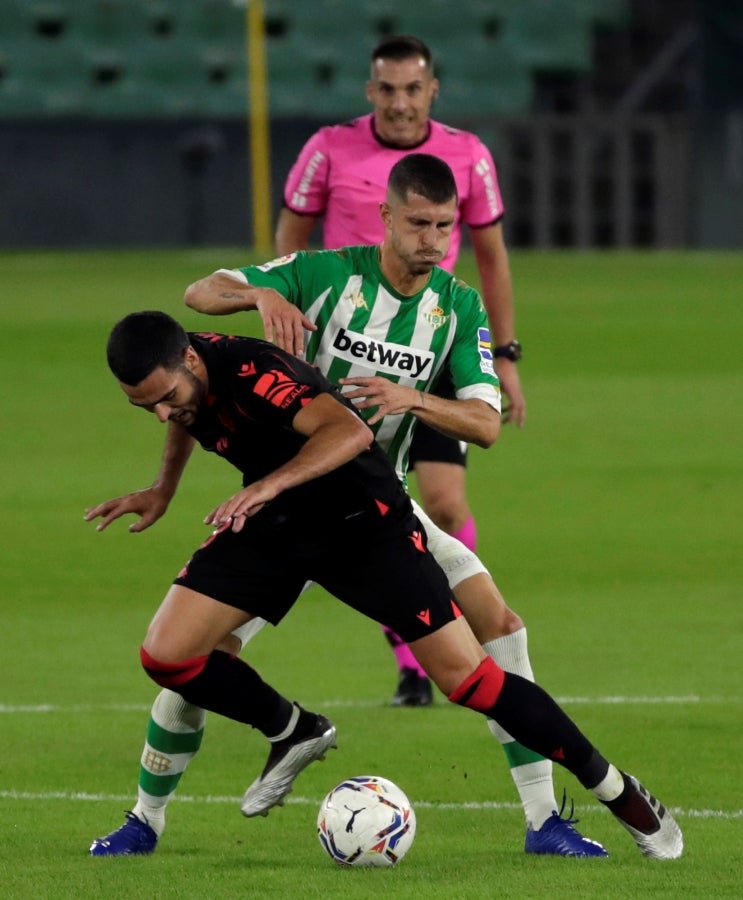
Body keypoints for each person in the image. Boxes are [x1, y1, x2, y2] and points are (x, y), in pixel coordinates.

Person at [88, 154, 602, 858]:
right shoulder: (320, 273)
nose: (433, 238)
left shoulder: (457, 307)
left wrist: (418, 400)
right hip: (284, 505)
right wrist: (256, 295)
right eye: (419, 222)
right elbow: (201, 295)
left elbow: (484, 425)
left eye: (444, 227)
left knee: (500, 627)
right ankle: (145, 820)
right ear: (386, 217)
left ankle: (545, 822)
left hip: (375, 506)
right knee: (198, 659)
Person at [88, 309, 682, 864]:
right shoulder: (186, 384)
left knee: (470, 679)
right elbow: (193, 415)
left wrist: (268, 485)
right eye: (148, 408)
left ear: (190, 361)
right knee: (166, 654)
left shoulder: (256, 373)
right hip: (277, 525)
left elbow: (348, 433)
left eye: (165, 398)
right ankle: (294, 729)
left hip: (362, 524)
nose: (164, 414)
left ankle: (616, 789)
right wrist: (164, 488)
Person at [275, 34, 526, 709]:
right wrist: (287, 322)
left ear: (432, 91)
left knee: (441, 503)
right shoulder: (329, 147)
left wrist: (503, 357)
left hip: (432, 349)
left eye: (412, 88)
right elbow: (290, 241)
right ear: (369, 92)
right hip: (345, 350)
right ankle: (415, 659)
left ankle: (454, 637)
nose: (399, 102)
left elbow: (493, 257)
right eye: (386, 89)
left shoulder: (467, 155)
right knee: (356, 503)